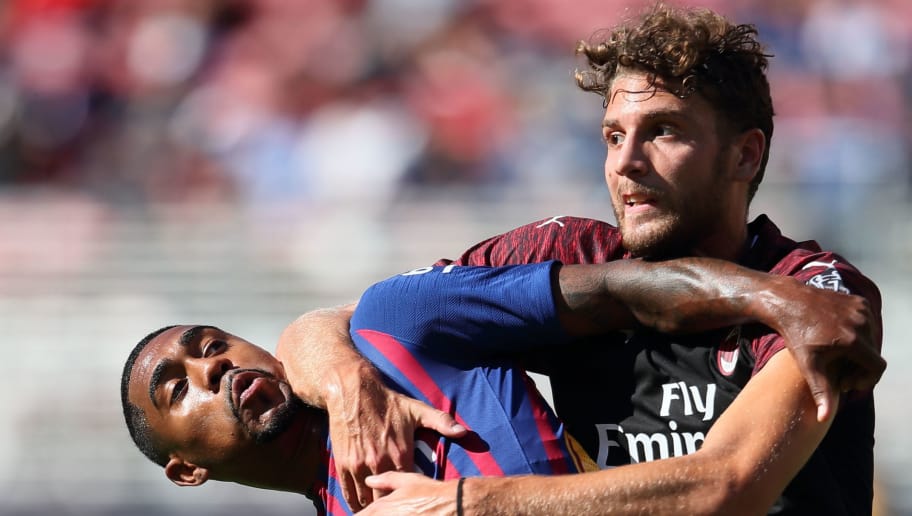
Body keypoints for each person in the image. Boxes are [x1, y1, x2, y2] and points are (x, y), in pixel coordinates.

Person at [278, 4, 886, 515]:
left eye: (663, 131)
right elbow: (344, 323)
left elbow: (725, 487)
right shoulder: (573, 255)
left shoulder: (814, 293)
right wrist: (347, 384)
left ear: (745, 156)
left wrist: (467, 503)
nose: (626, 162)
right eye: (614, 136)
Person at [121, 256, 874, 515]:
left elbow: (617, 287)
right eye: (177, 389)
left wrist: (775, 296)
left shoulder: (395, 325)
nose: (212, 368)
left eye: (212, 345)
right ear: (186, 470)